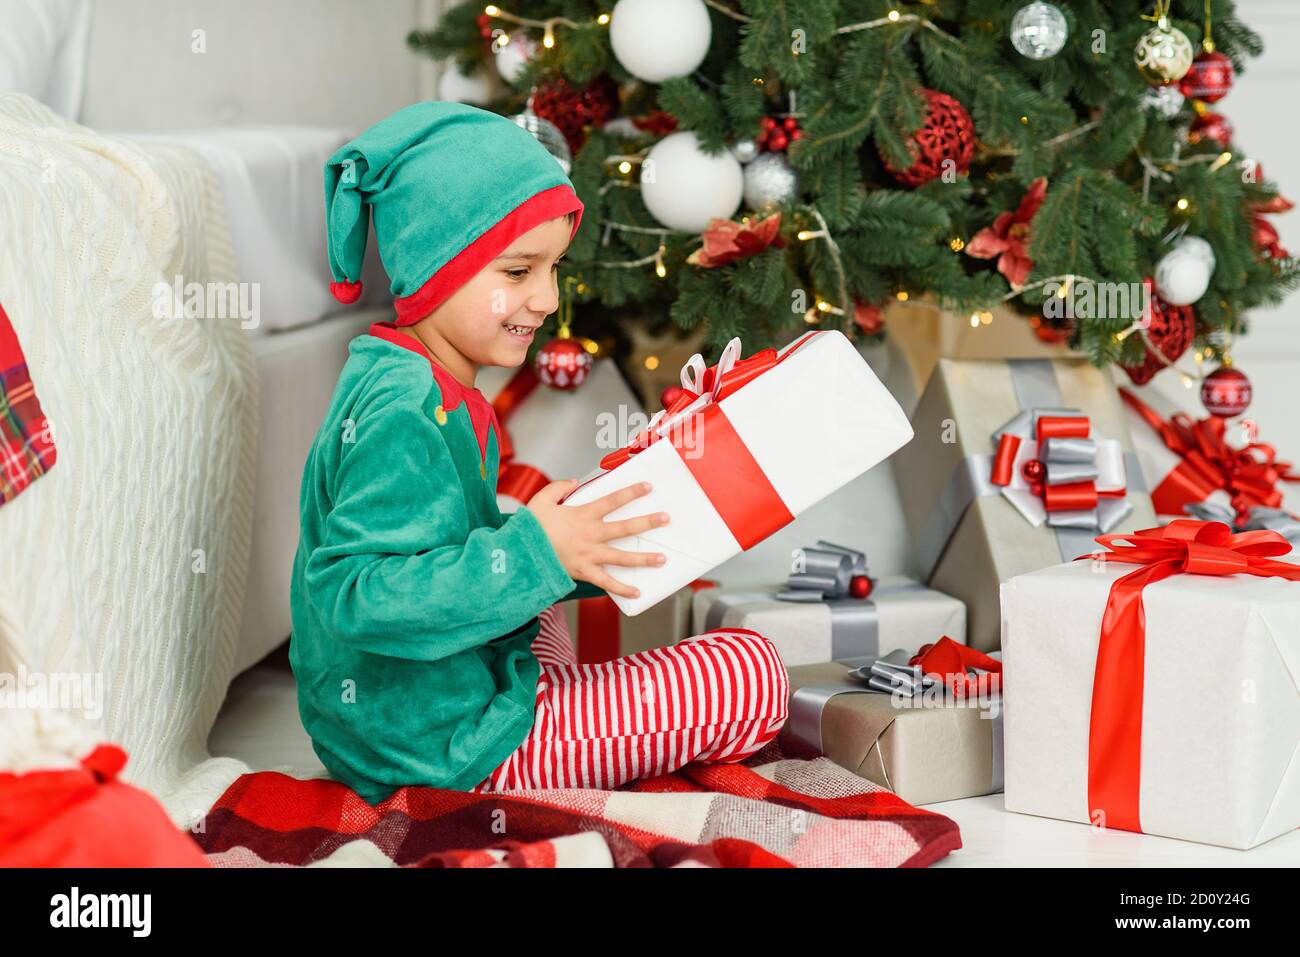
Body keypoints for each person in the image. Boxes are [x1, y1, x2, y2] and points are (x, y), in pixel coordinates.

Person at [289, 101, 788, 804]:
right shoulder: (402, 409)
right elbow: (355, 598)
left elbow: (467, 553)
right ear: (437, 265)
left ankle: (578, 716)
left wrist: (575, 539)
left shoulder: (429, 378)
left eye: (553, 269)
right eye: (519, 272)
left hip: (455, 695)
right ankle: (567, 740)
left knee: (529, 522)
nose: (547, 299)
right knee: (753, 671)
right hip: (436, 743)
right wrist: (538, 554)